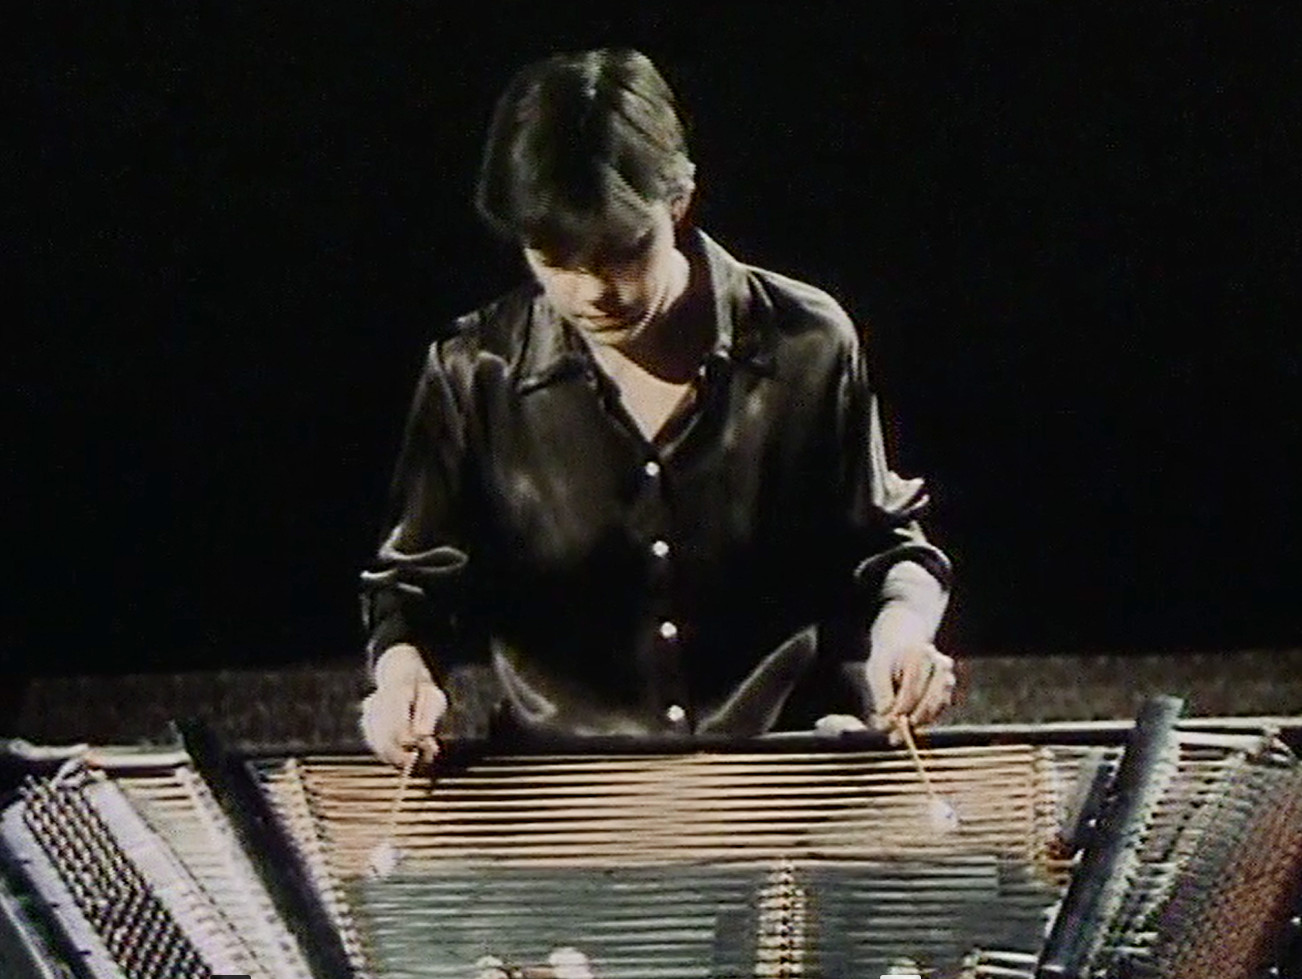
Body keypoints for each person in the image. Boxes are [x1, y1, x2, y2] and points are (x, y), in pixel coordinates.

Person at [359, 48, 956, 767]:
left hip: (784, 767)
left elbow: (887, 545)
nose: (592, 292)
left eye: (622, 251)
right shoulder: (474, 370)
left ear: (679, 200)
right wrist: (401, 675)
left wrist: (902, 635)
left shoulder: (807, 342)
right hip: (567, 782)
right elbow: (413, 586)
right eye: (554, 259)